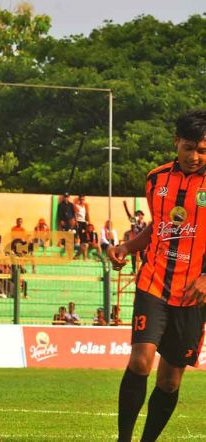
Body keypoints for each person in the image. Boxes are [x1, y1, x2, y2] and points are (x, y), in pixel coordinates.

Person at [107, 110, 206, 442]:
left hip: (194, 293)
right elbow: (160, 227)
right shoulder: (156, 179)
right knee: (140, 362)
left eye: (202, 150)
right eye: (189, 147)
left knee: (169, 382)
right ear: (176, 142)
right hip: (154, 281)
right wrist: (127, 247)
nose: (194, 156)